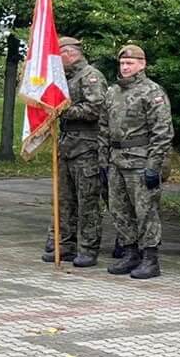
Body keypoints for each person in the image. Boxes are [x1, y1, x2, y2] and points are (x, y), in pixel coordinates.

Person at [102, 44, 174, 279]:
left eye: (130, 63)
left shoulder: (152, 91)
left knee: (145, 211)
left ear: (142, 65)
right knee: (119, 210)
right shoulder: (112, 92)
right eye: (122, 63)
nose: (125, 67)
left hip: (140, 161)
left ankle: (150, 258)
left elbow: (162, 131)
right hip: (116, 160)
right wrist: (104, 160)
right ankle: (130, 252)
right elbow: (103, 126)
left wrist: (154, 165)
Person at [46, 36, 108, 265]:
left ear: (69, 53)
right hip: (67, 146)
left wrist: (64, 110)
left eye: (58, 55)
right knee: (64, 200)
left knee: (87, 201)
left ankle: (88, 248)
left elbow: (96, 108)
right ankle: (64, 244)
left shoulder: (90, 76)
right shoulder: (67, 78)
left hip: (86, 147)